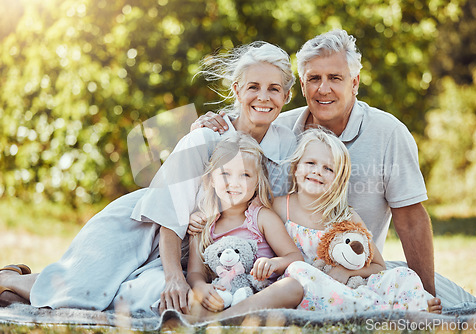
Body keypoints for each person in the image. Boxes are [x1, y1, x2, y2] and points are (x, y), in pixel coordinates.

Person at [0, 41, 298, 315]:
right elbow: (169, 212)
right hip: (144, 227)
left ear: (286, 96)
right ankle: (11, 280)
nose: (263, 97)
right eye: (253, 87)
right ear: (236, 90)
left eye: (274, 89)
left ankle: (23, 283)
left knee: (129, 296)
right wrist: (174, 278)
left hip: (197, 247)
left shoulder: (285, 143)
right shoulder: (207, 136)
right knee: (81, 294)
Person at [191, 29, 436, 297]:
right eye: (314, 79)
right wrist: (209, 125)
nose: (323, 88)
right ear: (301, 84)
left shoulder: (388, 133)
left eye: (335, 78)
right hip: (277, 271)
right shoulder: (279, 127)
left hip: (350, 271)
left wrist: (427, 294)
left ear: (354, 82)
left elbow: (411, 219)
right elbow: (237, 158)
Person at [171, 128, 441, 325]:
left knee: (404, 275)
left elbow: (379, 267)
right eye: (310, 163)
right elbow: (239, 211)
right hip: (304, 289)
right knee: (297, 271)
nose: (317, 171)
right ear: (296, 168)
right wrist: (203, 216)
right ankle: (394, 311)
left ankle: (407, 305)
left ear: (339, 178)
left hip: (349, 290)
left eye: (328, 168)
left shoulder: (346, 217)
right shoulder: (276, 207)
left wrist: (344, 271)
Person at [185, 133, 303, 314]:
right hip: (222, 297)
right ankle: (227, 317)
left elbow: (295, 257)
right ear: (211, 180)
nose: (234, 183)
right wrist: (200, 287)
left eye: (245, 175)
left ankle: (227, 318)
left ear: (257, 182)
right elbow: (194, 272)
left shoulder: (262, 217)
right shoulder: (203, 224)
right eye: (225, 173)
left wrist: (274, 263)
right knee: (181, 299)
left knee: (293, 287)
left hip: (259, 297)